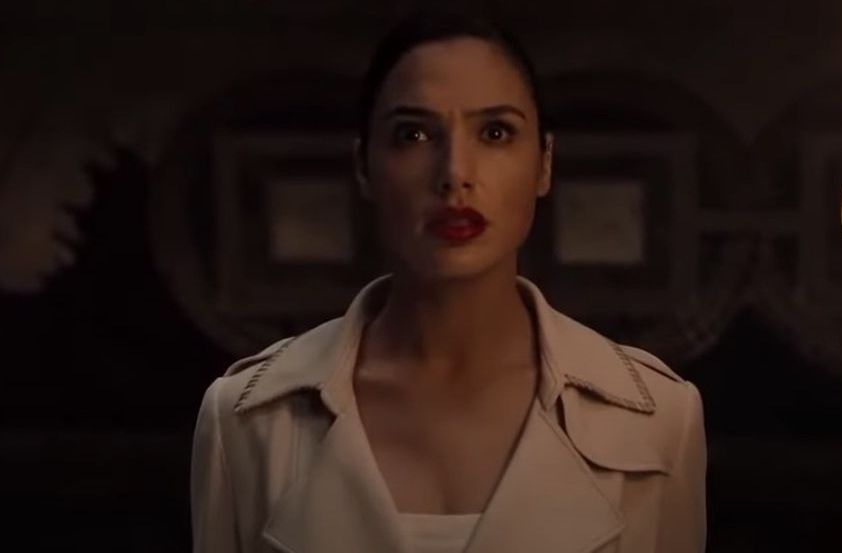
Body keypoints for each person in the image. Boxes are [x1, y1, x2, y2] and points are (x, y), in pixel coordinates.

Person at [190, 11, 706, 553]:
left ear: (544, 163)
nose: (455, 172)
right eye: (412, 134)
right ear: (364, 165)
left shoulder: (658, 419)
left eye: (495, 132)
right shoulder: (246, 422)